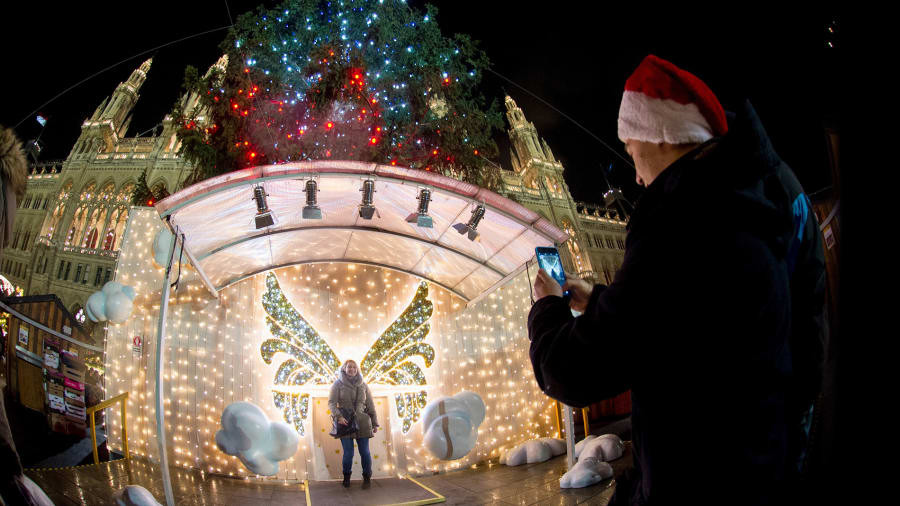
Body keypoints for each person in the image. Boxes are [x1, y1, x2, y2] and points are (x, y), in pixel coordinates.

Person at [527, 55, 825, 505]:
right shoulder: (773, 191)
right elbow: (693, 314)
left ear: (660, 137)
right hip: (775, 458)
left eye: (631, 149)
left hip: (703, 474)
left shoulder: (682, 218)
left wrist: (547, 308)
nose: (635, 173)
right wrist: (607, 298)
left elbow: (571, 372)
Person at [328, 359, 379, 488]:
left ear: (357, 370)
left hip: (362, 421)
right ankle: (346, 477)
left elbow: (370, 404)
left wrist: (375, 422)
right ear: (344, 369)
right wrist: (338, 417)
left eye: (354, 368)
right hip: (345, 422)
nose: (352, 369)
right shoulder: (337, 384)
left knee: (365, 452)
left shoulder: (363, 385)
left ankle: (367, 478)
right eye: (349, 367)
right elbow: (331, 403)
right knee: (348, 453)